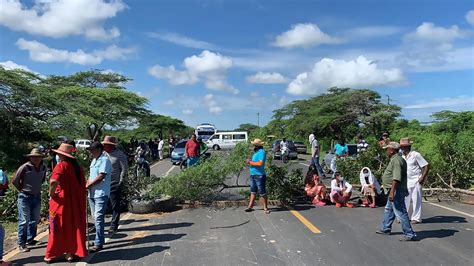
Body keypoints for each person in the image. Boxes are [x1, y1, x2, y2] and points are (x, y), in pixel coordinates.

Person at [45, 143, 87, 263]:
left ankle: (50, 254)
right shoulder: (77, 167)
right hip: (74, 204)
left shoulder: (61, 166)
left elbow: (53, 182)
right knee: (72, 227)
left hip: (60, 203)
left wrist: (51, 194)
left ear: (61, 154)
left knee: (56, 227)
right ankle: (70, 254)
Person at [377, 142, 417, 241]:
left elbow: (396, 178)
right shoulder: (396, 159)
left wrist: (392, 191)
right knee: (389, 209)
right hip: (394, 189)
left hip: (396, 190)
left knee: (400, 211)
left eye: (387, 149)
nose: (386, 151)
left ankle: (409, 234)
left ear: (391, 150)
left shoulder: (397, 161)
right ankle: (386, 228)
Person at [11, 148, 47, 252]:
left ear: (41, 158)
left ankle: (30, 239)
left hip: (36, 196)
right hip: (25, 197)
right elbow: (14, 181)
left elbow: (42, 180)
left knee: (35, 219)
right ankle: (21, 243)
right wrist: (22, 190)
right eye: (33, 157)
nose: (36, 159)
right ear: (30, 158)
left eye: (38, 157)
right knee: (24, 220)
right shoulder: (25, 167)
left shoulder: (43, 167)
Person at [86, 142, 112, 252]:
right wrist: (86, 185)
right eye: (90, 150)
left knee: (98, 218)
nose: (91, 152)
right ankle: (98, 239)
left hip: (101, 193)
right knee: (95, 217)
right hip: (92, 193)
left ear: (99, 149)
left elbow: (101, 176)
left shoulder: (105, 160)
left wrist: (89, 185)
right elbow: (91, 176)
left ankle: (99, 242)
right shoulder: (94, 160)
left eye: (93, 150)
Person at [102, 136, 128, 234]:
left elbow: (124, 169)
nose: (104, 146)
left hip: (114, 184)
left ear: (111, 145)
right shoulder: (103, 154)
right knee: (102, 205)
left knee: (115, 206)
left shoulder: (119, 155)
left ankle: (114, 225)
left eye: (106, 145)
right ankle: (100, 225)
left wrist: (120, 182)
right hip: (103, 184)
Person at [400, 138, 429, 224]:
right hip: (406, 180)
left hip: (416, 179)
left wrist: (422, 177)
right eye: (402, 147)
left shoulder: (415, 155)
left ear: (409, 146)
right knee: (405, 199)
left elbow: (426, 165)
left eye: (405, 147)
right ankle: (403, 217)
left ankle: (416, 218)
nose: (403, 148)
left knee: (416, 200)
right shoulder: (401, 156)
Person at [245, 139, 270, 214]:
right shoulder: (256, 153)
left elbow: (260, 163)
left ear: (258, 146)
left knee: (262, 192)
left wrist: (250, 162)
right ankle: (250, 206)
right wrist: (250, 162)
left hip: (259, 175)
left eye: (254, 145)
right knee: (253, 191)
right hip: (253, 174)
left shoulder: (261, 152)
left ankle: (265, 207)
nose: (253, 146)